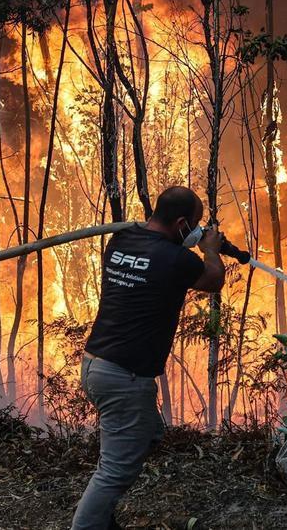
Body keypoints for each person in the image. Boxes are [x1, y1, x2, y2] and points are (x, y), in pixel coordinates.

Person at [72, 186, 226, 530]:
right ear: (183, 223)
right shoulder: (178, 260)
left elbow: (152, 252)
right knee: (113, 473)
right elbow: (214, 280)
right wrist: (211, 249)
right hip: (124, 378)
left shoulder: (121, 240)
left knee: (149, 433)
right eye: (194, 226)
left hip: (95, 363)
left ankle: (102, 519)